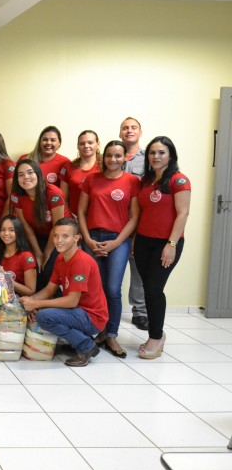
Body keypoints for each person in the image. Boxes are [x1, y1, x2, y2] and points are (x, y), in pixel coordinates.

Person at [78, 140, 141, 358]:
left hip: (118, 240)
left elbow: (134, 218)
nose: (113, 160)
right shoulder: (91, 180)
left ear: (125, 158)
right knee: (95, 289)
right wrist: (87, 240)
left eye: (118, 156)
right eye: (109, 156)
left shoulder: (132, 181)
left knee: (113, 289)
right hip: (92, 238)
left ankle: (111, 334)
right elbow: (81, 212)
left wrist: (116, 243)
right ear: (103, 157)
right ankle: (98, 332)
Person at [20, 218, 108, 367]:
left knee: (44, 316)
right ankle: (79, 340)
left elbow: (71, 301)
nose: (59, 240)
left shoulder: (81, 262)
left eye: (65, 236)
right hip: (78, 311)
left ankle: (86, 346)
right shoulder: (61, 258)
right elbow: (50, 289)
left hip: (92, 317)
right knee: (42, 309)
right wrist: (28, 300)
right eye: (56, 235)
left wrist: (36, 303)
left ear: (76, 239)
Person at [135, 136, 190, 359]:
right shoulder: (146, 181)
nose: (156, 156)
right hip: (143, 241)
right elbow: (141, 213)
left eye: (161, 152)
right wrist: (133, 241)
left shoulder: (178, 180)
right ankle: (154, 334)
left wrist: (171, 244)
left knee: (154, 289)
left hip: (166, 243)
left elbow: (183, 213)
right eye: (152, 152)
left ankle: (156, 336)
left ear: (170, 155)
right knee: (147, 287)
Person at [11, 158, 72, 288]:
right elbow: (26, 226)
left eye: (30, 172)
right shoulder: (17, 195)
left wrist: (47, 254)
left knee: (47, 271)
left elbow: (57, 227)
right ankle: (35, 304)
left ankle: (51, 301)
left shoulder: (53, 193)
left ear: (38, 174)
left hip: (61, 236)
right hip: (38, 235)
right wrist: (38, 252)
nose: (26, 177)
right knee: (34, 268)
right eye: (20, 175)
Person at [120, 116, 149, 330]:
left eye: (133, 128)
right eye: (125, 128)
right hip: (115, 221)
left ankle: (140, 312)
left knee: (139, 268)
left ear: (140, 132)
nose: (129, 131)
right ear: (120, 133)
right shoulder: (113, 156)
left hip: (140, 222)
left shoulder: (149, 158)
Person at [0, 215, 37, 296]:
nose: (6, 233)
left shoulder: (26, 256)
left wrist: (8, 281)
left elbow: (31, 291)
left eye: (11, 230)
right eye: (2, 230)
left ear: (18, 232)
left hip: (17, 301)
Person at [60, 130, 101, 213]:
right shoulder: (68, 166)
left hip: (98, 218)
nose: (86, 146)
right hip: (74, 218)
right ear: (78, 146)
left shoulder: (105, 166)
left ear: (98, 144)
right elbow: (63, 199)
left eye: (90, 142)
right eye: (82, 143)